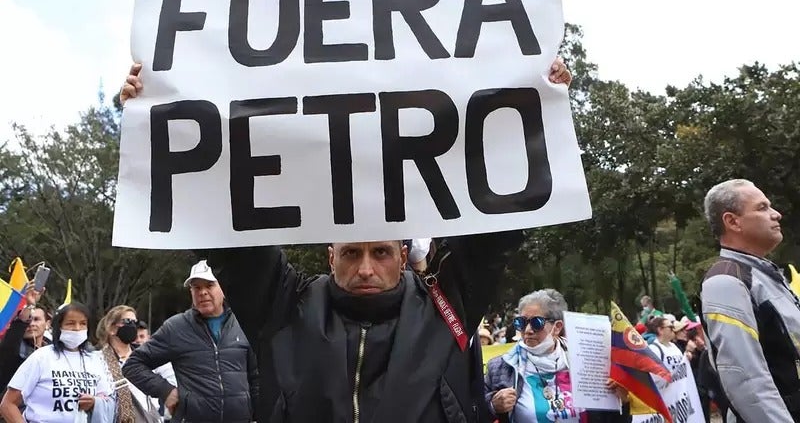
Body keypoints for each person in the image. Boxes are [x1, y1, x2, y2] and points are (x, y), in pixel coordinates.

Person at [119, 58, 573, 423]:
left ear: (401, 253)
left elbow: (496, 226)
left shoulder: (446, 304)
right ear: (330, 254)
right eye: (352, 253)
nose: (366, 269)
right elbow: (226, 225)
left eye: (380, 252)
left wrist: (538, 103)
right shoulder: (284, 306)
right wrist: (160, 116)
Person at [701, 178, 800, 422]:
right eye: (762, 208)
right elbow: (746, 379)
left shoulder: (765, 276)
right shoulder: (726, 281)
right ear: (732, 221)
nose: (776, 214)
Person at [122, 260, 259, 423]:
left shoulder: (244, 323)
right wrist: (165, 391)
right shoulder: (176, 327)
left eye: (209, 285)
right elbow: (133, 366)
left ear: (223, 287)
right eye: (197, 287)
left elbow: (256, 378)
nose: (203, 292)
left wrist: (259, 414)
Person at [484, 289, 630, 423]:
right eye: (521, 323)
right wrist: (492, 405)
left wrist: (621, 402)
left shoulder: (587, 362)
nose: (527, 330)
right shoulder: (500, 367)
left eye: (536, 323)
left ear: (557, 327)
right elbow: (473, 412)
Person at [0, 302, 115, 423]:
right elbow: (8, 404)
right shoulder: (41, 357)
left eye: (83, 324)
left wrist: (95, 402)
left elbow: (109, 400)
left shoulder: (96, 360)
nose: (77, 328)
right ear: (59, 327)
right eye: (70, 323)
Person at [97, 305, 161, 422]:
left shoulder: (145, 357)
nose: (132, 326)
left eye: (134, 322)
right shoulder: (98, 359)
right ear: (111, 328)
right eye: (127, 321)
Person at [0, 283, 50, 392]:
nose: (31, 324)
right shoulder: (12, 348)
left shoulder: (54, 351)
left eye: (36, 319)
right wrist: (29, 305)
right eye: (29, 319)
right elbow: (14, 335)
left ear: (48, 324)